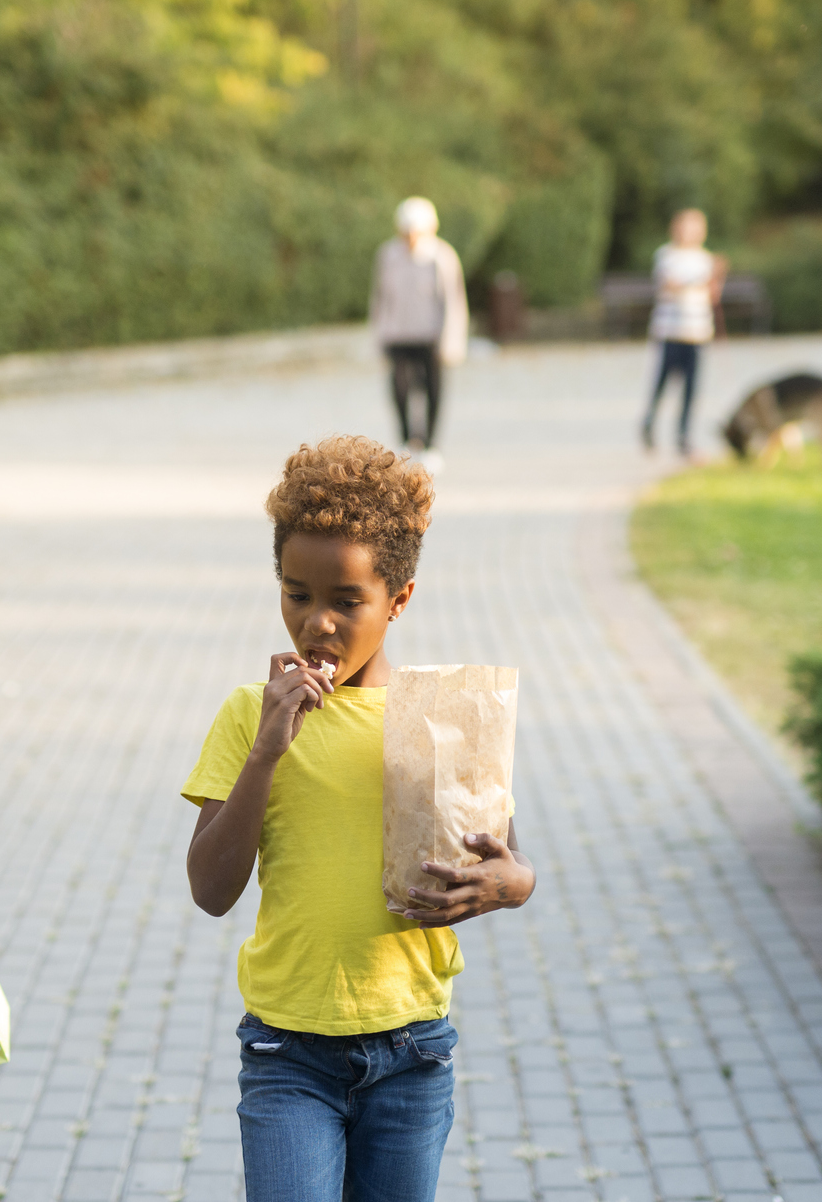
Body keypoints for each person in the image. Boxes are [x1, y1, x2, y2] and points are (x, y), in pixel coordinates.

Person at [181, 436, 535, 1202]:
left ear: (398, 600)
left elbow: (511, 864)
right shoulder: (250, 716)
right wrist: (267, 754)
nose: (318, 625)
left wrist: (506, 887)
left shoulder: (443, 717)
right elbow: (210, 889)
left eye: (347, 602)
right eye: (296, 594)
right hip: (288, 1053)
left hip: (411, 1050)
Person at [369, 197, 468, 470]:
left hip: (431, 337)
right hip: (398, 336)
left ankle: (431, 445)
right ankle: (406, 442)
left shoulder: (441, 256)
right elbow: (380, 299)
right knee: (399, 391)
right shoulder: (388, 255)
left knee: (433, 392)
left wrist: (451, 342)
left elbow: (453, 302)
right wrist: (378, 336)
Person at [639, 208, 727, 458]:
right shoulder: (666, 255)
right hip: (670, 330)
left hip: (697, 330)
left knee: (691, 388)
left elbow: (712, 295)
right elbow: (671, 285)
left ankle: (683, 436)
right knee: (663, 383)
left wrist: (716, 277)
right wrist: (704, 277)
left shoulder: (704, 257)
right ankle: (649, 423)